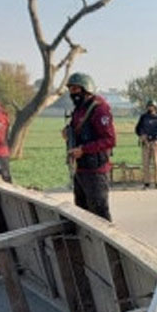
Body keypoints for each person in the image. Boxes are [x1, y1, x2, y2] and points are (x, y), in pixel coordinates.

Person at [62, 72, 115, 221]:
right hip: (81, 169)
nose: (72, 94)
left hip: (96, 172)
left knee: (100, 216)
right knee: (83, 215)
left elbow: (109, 140)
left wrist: (84, 150)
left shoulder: (99, 109)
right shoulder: (79, 110)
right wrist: (68, 133)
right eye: (70, 90)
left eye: (75, 89)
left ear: (86, 89)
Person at [135, 100, 157, 189]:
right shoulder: (143, 117)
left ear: (155, 107)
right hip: (145, 142)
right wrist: (142, 135)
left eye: (152, 106)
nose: (150, 107)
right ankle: (146, 182)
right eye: (149, 106)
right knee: (145, 163)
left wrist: (150, 137)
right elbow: (138, 128)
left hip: (155, 142)